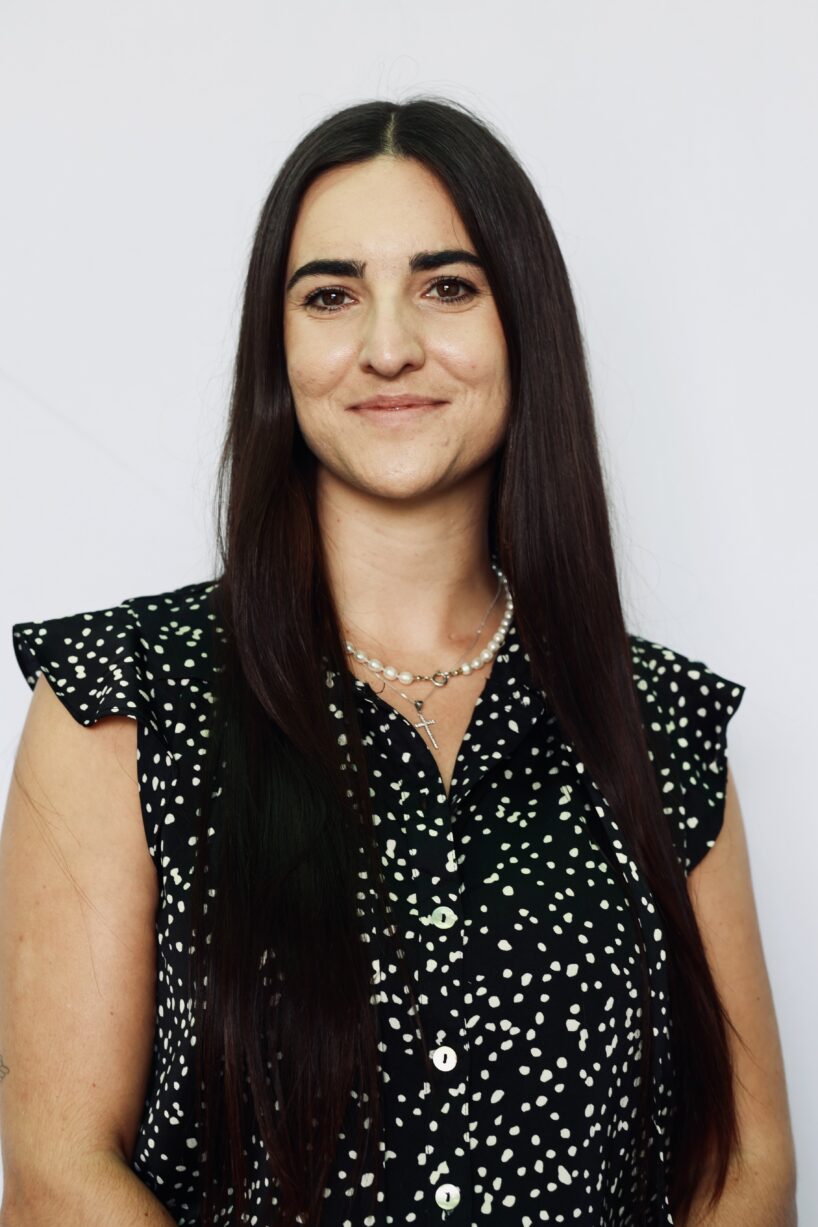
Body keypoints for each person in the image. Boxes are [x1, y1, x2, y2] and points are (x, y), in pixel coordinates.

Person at [0, 97, 796, 1227]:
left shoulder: (656, 717)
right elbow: (56, 1172)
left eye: (447, 287)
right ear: (277, 350)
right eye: (330, 295)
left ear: (523, 324)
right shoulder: (122, 699)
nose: (387, 346)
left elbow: (744, 1168)